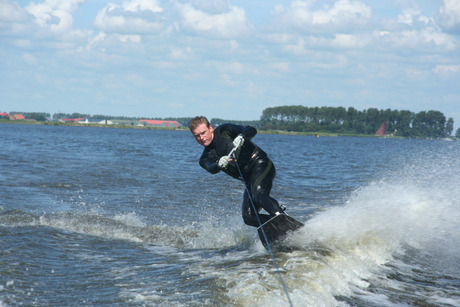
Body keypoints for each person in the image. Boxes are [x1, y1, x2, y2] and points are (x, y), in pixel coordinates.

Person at [189, 116, 285, 227]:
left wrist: (242, 137)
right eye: (197, 136)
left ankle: (281, 216)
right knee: (248, 217)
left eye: (203, 133)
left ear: (210, 128)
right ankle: (277, 226)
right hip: (249, 180)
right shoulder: (205, 158)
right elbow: (211, 168)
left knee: (259, 196)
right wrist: (218, 164)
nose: (201, 137)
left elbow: (251, 129)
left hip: (260, 164)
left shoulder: (224, 130)